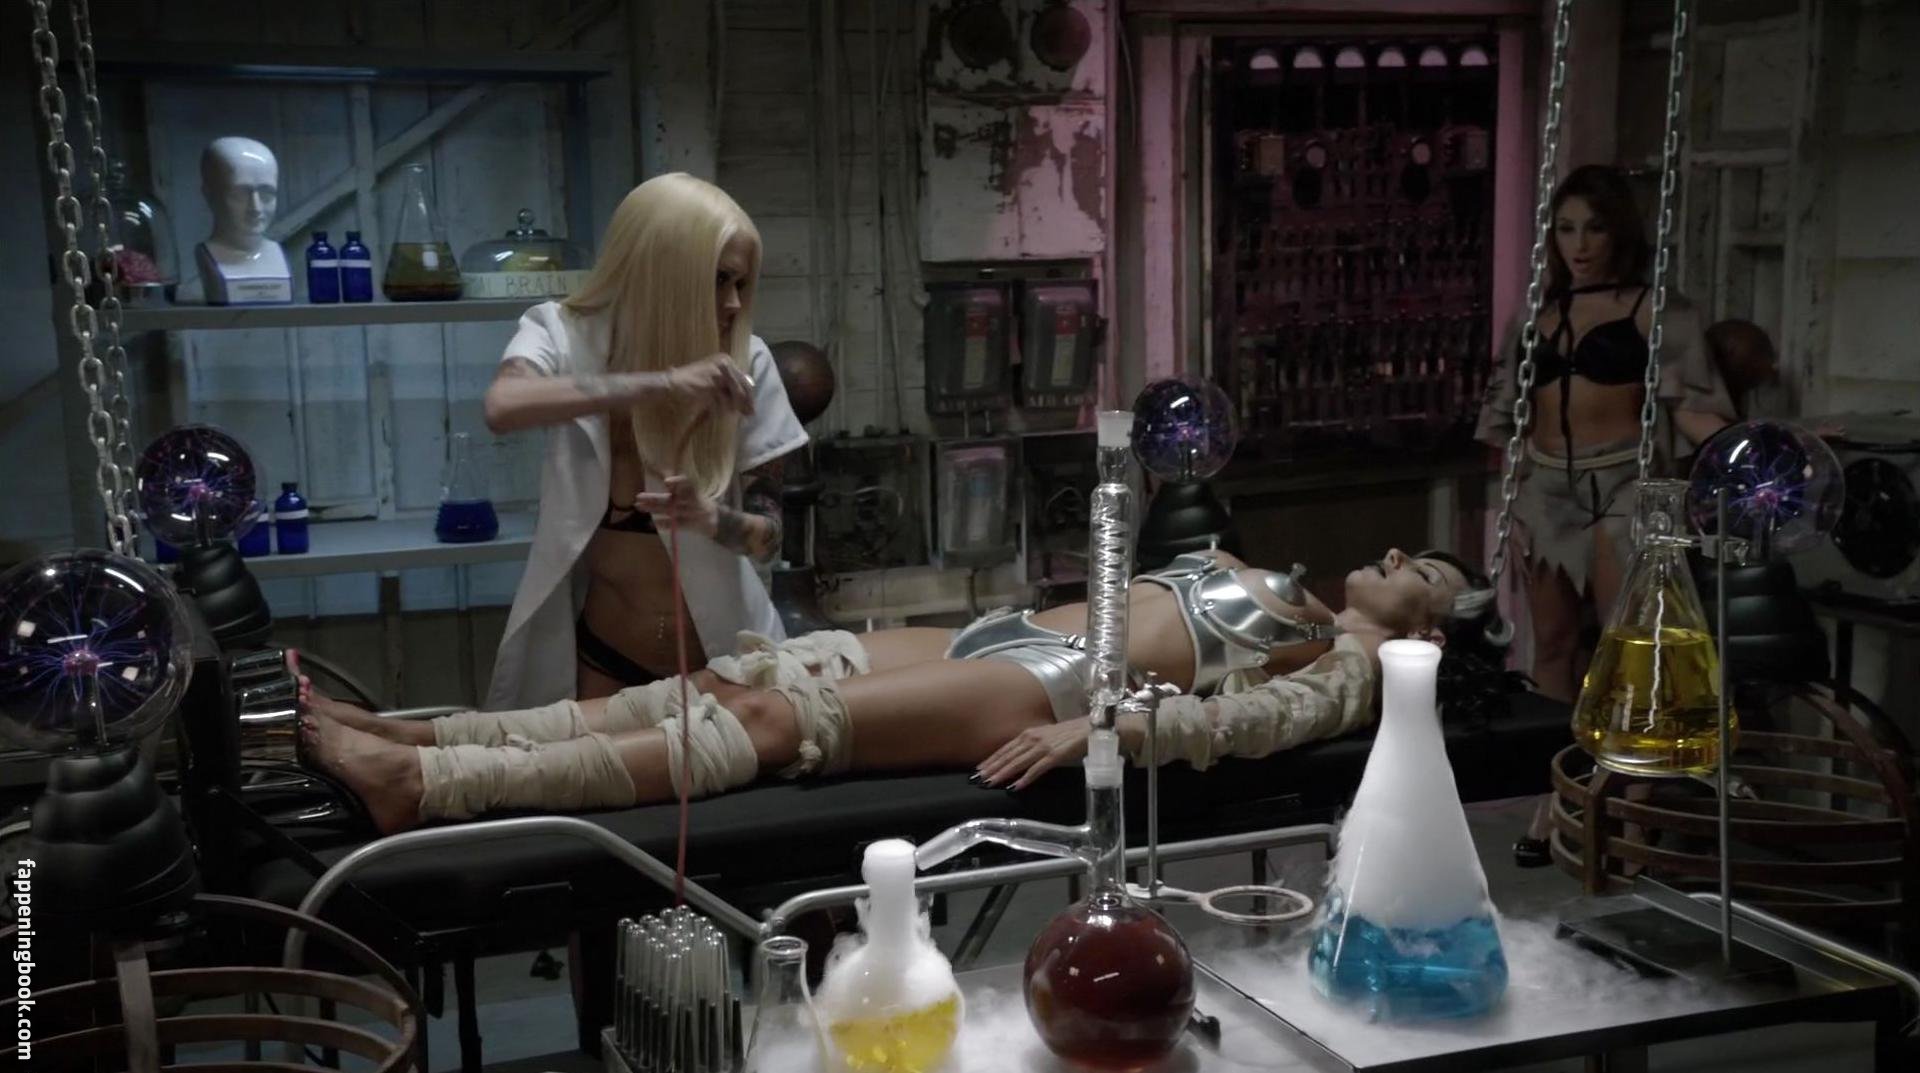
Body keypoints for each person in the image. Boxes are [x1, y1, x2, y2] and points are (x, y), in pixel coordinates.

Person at [300, 547, 1511, 834]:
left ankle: (425, 786)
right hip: (1002, 630)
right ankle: (421, 728)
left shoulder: (1357, 665)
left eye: (1423, 571)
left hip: (1051, 684)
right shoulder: (1298, 590)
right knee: (724, 677)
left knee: (768, 724)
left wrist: (1105, 730)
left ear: (1428, 630)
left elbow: (1244, 719)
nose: (1397, 554)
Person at [483, 174, 808, 709]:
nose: (733, 304)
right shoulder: (559, 334)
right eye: (718, 280)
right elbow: (504, 405)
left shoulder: (747, 364)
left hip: (721, 663)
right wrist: (664, 382)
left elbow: (769, 539)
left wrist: (711, 519)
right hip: (603, 659)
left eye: (741, 284)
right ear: (664, 270)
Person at [1476, 165, 1736, 704]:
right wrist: (1512, 499)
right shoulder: (1537, 313)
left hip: (1623, 483)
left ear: (1618, 231)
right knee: (1551, 643)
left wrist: (1767, 445)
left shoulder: (1655, 310)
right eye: (1566, 228)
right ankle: (1550, 750)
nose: (1580, 245)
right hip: (1547, 488)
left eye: (1594, 228)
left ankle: (1623, 755)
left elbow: (1695, 410)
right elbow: (1512, 419)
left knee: (1625, 645)